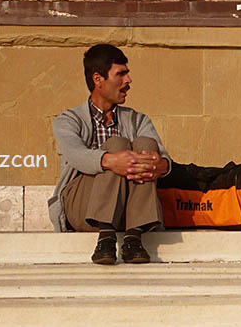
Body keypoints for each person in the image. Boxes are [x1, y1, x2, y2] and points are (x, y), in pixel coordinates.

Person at [47, 44, 172, 265]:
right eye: (121, 74)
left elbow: (162, 158)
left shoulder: (138, 119)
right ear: (98, 79)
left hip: (129, 208)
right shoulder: (68, 120)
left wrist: (159, 164)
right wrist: (112, 160)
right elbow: (76, 154)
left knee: (144, 143)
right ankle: (105, 235)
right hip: (83, 205)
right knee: (116, 144)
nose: (128, 81)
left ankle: (133, 237)